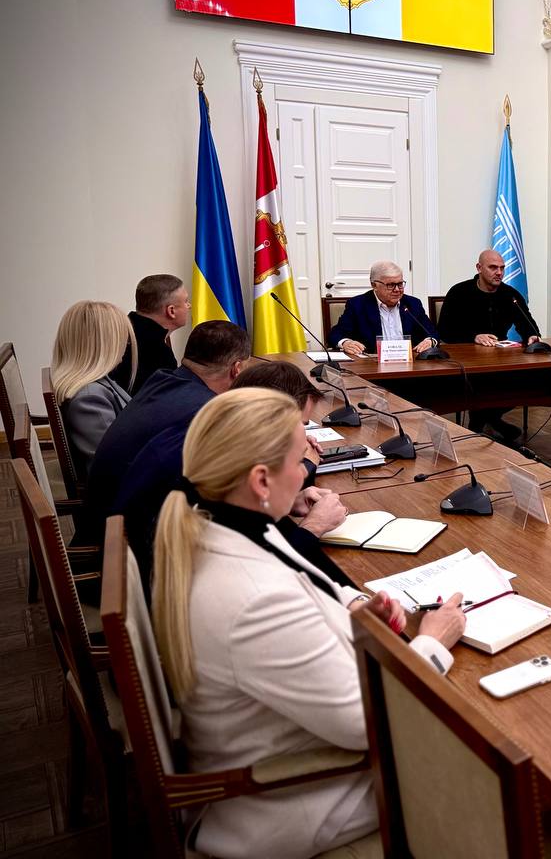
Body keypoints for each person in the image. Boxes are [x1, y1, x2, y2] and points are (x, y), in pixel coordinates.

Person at [151, 389, 466, 859]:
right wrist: (433, 644)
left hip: (282, 745)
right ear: (261, 480)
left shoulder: (221, 524)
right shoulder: (255, 599)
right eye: (300, 461)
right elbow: (366, 723)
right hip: (299, 796)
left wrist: (357, 606)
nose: (306, 473)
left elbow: (303, 579)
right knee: (507, 764)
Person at [114, 360, 349, 590]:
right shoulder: (199, 468)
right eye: (299, 424)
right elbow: (258, 577)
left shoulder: (204, 439)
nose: (303, 437)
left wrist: (284, 501)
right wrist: (312, 527)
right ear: (269, 415)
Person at [83, 321, 252, 547]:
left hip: (106, 515)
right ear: (237, 368)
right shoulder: (202, 411)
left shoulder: (164, 380)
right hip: (121, 541)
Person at [438, 249, 544, 442]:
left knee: (526, 382)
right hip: (467, 361)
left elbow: (528, 325)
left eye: (502, 268)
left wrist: (532, 336)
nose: (499, 273)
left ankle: (484, 422)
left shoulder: (510, 295)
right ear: (479, 268)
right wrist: (474, 336)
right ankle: (489, 423)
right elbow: (444, 331)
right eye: (493, 267)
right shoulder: (459, 292)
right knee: (480, 384)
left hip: (500, 359)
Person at [50, 300, 137, 481]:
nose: (126, 344)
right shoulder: (89, 398)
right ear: (106, 344)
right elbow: (113, 466)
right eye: (123, 338)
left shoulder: (97, 384)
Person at [328, 260, 440, 357]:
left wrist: (430, 341)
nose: (397, 290)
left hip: (410, 364)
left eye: (400, 284)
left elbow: (432, 332)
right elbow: (336, 334)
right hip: (372, 365)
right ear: (374, 285)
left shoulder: (412, 304)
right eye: (390, 285)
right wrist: (346, 343)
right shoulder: (358, 305)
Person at [108, 274, 189, 393]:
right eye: (186, 301)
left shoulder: (116, 332)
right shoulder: (157, 353)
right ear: (171, 311)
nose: (189, 306)